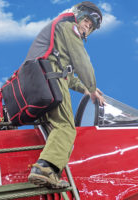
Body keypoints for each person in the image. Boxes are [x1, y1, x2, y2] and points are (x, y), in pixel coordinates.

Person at [27, 1, 105, 188]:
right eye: (86, 21)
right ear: (79, 16)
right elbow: (81, 61)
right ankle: (45, 168)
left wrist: (85, 89)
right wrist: (92, 86)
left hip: (42, 81)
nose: (87, 26)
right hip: (51, 82)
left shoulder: (59, 28)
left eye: (91, 26)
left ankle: (50, 169)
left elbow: (66, 73)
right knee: (66, 127)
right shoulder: (69, 27)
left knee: (55, 127)